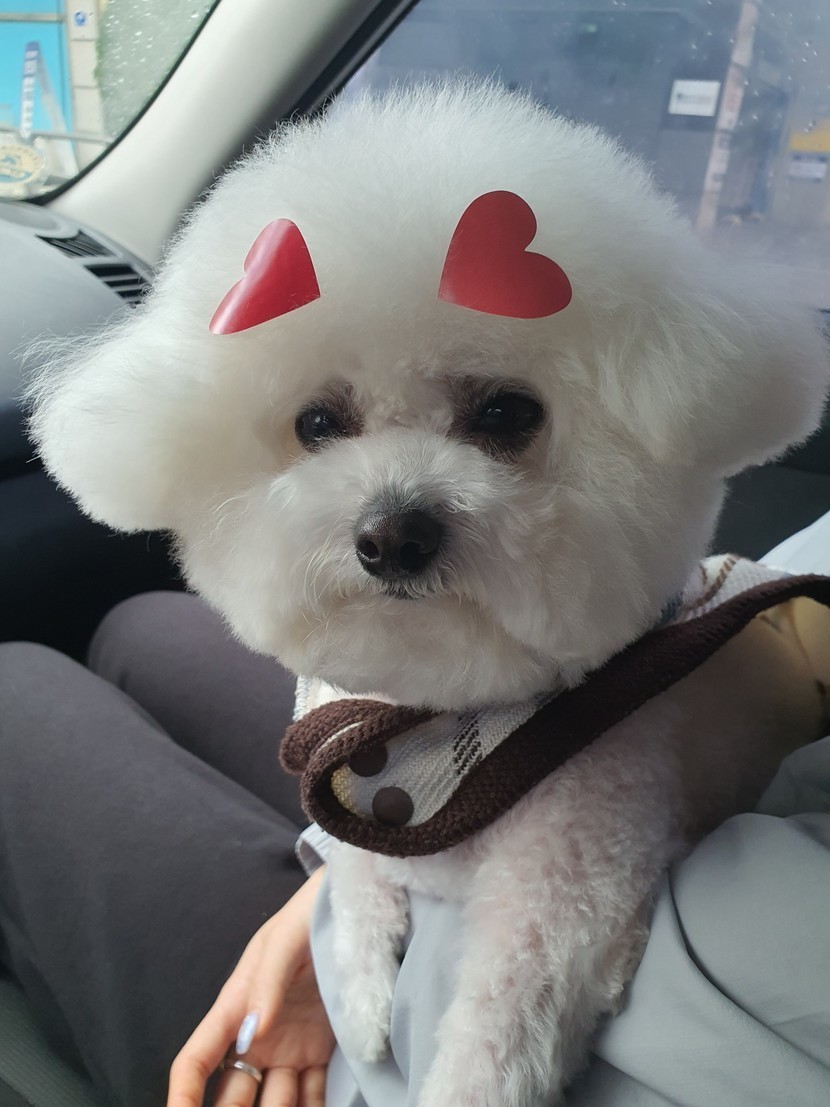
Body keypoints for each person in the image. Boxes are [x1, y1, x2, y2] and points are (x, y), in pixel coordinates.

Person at [2, 519, 830, 1107]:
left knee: (17, 693)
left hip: (409, 1043)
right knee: (144, 625)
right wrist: (356, 853)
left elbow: (554, 981)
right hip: (505, 790)